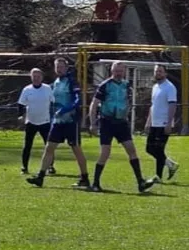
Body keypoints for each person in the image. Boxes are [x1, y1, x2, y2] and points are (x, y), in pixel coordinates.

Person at [89, 61, 155, 194]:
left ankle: (140, 182)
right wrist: (93, 124)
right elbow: (94, 104)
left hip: (121, 122)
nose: (118, 73)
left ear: (124, 71)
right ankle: (95, 183)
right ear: (111, 71)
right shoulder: (105, 85)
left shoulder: (126, 85)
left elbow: (128, 101)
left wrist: (125, 113)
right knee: (105, 153)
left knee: (131, 150)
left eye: (120, 71)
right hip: (107, 122)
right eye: (116, 71)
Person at [29, 57, 91, 190]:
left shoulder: (72, 81)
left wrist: (66, 109)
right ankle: (40, 177)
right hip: (57, 121)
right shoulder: (55, 83)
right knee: (49, 148)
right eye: (57, 67)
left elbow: (77, 100)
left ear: (66, 68)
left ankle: (85, 178)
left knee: (76, 149)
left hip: (71, 121)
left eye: (62, 67)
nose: (59, 69)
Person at [144, 64, 180, 183]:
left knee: (159, 149)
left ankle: (158, 176)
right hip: (154, 123)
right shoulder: (155, 87)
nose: (157, 73)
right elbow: (153, 106)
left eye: (160, 71)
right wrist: (148, 121)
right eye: (156, 71)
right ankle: (171, 165)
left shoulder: (170, 87)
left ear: (165, 73)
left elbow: (172, 105)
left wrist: (169, 123)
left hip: (164, 123)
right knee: (149, 148)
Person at [17, 68, 55, 175]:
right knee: (27, 146)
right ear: (31, 77)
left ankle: (50, 166)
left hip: (45, 121)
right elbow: (21, 104)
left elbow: (53, 102)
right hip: (31, 121)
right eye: (34, 76)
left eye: (38, 76)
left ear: (42, 77)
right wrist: (20, 115)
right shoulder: (27, 89)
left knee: (49, 146)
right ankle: (24, 167)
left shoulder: (47, 88)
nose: (36, 78)